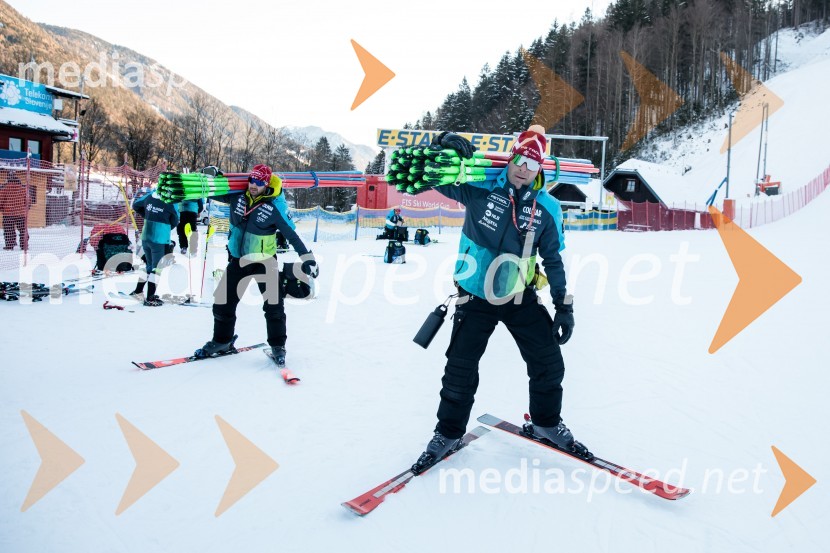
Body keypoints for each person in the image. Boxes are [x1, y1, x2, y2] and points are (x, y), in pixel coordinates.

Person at [412, 126, 585, 471]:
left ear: (540, 170)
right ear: (511, 158)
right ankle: (447, 433)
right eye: (519, 159)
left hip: (519, 296)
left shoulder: (547, 208)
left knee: (549, 364)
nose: (523, 168)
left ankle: (546, 423)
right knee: (460, 370)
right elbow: (423, 176)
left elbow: (554, 259)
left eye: (532, 164)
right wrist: (440, 145)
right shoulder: (476, 187)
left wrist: (564, 306)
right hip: (474, 296)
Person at [194, 164, 318, 367]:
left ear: (266, 184)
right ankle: (222, 341)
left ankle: (278, 346)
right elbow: (212, 191)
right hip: (239, 260)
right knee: (222, 301)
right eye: (252, 180)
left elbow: (291, 235)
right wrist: (209, 178)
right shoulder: (236, 197)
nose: (254, 185)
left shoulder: (273, 208)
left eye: (259, 182)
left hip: (265, 262)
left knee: (274, 306)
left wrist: (307, 257)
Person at [130, 187, 179, 306]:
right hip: (160, 239)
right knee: (156, 268)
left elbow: (135, 205)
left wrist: (146, 215)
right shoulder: (171, 201)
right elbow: (176, 219)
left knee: (149, 266)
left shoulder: (150, 196)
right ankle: (150, 298)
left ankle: (138, 291)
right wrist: (166, 226)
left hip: (146, 236)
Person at [0, 173, 30, 250]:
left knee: (9, 231)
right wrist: (25, 209)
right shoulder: (23, 189)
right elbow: (28, 202)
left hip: (8, 214)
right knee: (23, 230)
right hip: (21, 214)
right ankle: (24, 245)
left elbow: (1, 200)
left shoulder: (5, 189)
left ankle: (10, 245)